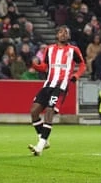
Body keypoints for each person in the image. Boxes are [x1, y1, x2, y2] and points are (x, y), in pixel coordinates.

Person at [28, 25, 86, 156]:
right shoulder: (49, 49)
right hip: (48, 85)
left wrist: (76, 75)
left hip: (61, 86)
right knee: (34, 111)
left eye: (66, 32)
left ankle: (40, 146)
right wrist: (35, 66)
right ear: (56, 35)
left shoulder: (73, 50)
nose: (64, 34)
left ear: (69, 36)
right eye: (61, 32)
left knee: (49, 111)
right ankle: (44, 139)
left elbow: (82, 64)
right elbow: (44, 66)